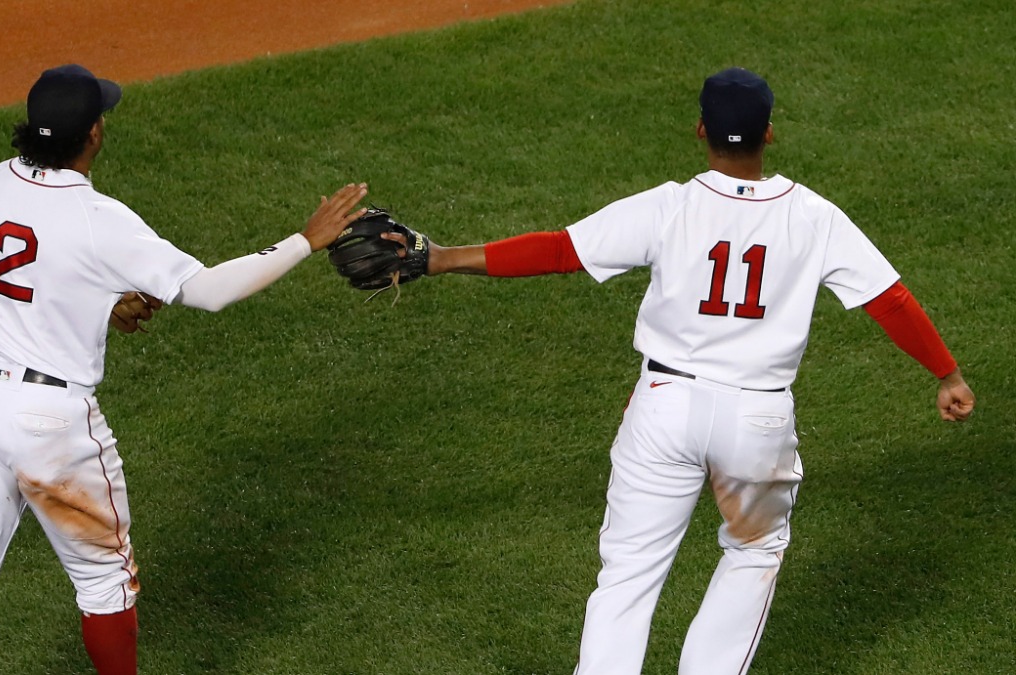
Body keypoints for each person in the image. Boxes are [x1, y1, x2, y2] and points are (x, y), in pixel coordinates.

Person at [414, 68, 975, 673]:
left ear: (701, 130)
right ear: (770, 133)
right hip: (758, 422)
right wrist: (946, 373)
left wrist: (442, 259)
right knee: (754, 550)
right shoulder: (813, 215)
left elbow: (558, 251)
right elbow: (888, 299)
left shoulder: (671, 205)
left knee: (627, 573)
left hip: (664, 407)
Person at [0, 64, 367, 675]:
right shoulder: (98, 218)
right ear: (94, 133)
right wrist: (303, 241)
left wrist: (92, 302)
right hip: (49, 425)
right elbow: (207, 291)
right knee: (106, 583)